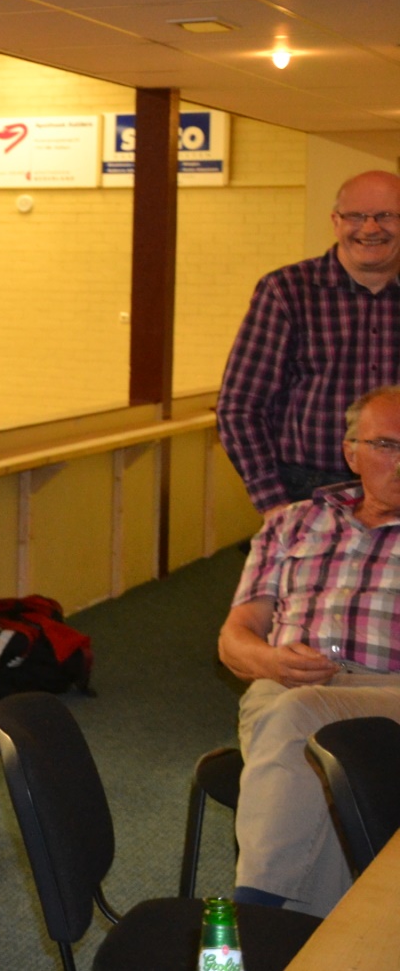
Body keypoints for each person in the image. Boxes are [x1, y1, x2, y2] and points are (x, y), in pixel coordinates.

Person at [218, 383, 400, 916]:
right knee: (306, 755)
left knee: (298, 718)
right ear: (352, 453)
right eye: (386, 445)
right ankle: (313, 935)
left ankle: (254, 914)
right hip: (284, 683)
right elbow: (235, 637)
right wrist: (271, 661)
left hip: (389, 694)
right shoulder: (291, 522)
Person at [219, 169, 400, 513]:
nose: (370, 228)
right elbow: (240, 406)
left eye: (386, 215)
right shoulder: (286, 291)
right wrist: (273, 503)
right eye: (356, 216)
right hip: (307, 492)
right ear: (335, 222)